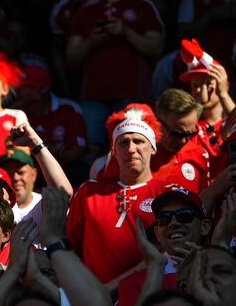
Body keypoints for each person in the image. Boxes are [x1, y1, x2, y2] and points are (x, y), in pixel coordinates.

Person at [66, 107, 171, 285]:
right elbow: (69, 246)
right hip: (96, 299)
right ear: (113, 151)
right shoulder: (89, 192)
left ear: (153, 148)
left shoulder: (168, 194)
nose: (131, 149)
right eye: (123, 143)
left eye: (139, 141)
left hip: (149, 297)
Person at [66, 0, 166, 139]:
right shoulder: (86, 10)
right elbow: (71, 57)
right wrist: (91, 41)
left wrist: (125, 32)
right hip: (93, 95)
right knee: (92, 147)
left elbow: (157, 48)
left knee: (131, 144)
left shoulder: (142, 6)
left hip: (132, 93)